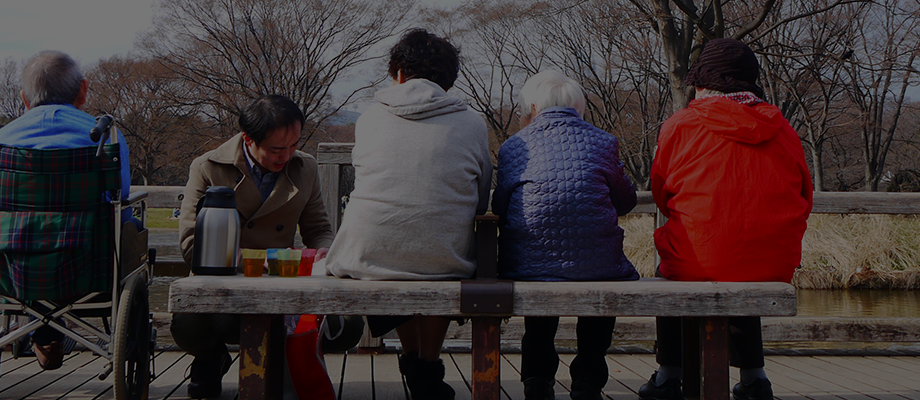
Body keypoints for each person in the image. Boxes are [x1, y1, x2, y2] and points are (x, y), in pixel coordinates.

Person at [319, 28, 491, 400]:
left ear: (398, 73)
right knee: (434, 254)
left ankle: (413, 359)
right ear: (448, 82)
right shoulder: (473, 122)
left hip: (367, 254)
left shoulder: (369, 118)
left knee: (390, 249)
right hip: (444, 256)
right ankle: (426, 365)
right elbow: (481, 197)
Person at [640, 38, 813, 400]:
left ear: (703, 83)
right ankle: (755, 378)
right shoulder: (782, 128)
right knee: (745, 262)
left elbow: (661, 193)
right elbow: (804, 193)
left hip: (700, 255)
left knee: (676, 270)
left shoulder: (681, 124)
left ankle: (669, 375)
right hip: (772, 261)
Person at [172, 94, 361, 399]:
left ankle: (284, 364)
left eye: (294, 145)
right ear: (248, 139)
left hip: (282, 287)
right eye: (276, 149)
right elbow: (192, 246)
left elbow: (318, 230)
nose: (286, 155)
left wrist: (325, 253)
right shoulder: (207, 167)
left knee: (350, 326)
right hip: (224, 286)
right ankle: (211, 358)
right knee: (187, 323)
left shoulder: (306, 167)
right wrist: (260, 260)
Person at [491, 70, 638, 400]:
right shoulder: (604, 142)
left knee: (539, 309)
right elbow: (626, 201)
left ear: (533, 107)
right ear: (578, 106)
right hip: (599, 266)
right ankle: (588, 381)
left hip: (529, 265)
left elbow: (501, 206)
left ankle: (536, 379)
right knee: (599, 300)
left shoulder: (514, 147)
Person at [0, 50, 135, 371]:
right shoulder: (106, 138)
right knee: (129, 225)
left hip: (13, 267)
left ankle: (43, 329)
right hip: (88, 265)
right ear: (83, 90)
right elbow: (120, 198)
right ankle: (52, 330)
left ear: (25, 99)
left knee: (30, 238)